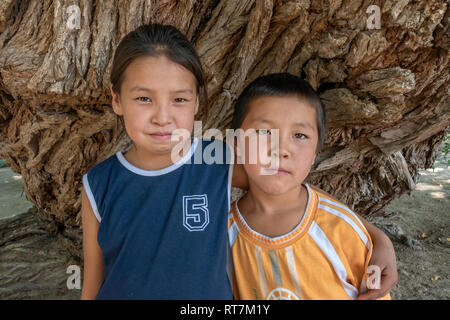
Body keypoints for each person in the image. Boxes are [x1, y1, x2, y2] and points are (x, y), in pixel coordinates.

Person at [81, 23, 396, 299]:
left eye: (179, 99)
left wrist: (376, 238)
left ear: (197, 102)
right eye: (144, 98)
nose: (163, 117)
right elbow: (94, 282)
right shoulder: (98, 184)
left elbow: (287, 186)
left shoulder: (215, 160)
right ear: (117, 99)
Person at [228, 72, 393, 300]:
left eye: (299, 135)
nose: (281, 149)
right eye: (264, 132)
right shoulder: (222, 235)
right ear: (237, 144)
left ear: (316, 152)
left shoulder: (341, 229)